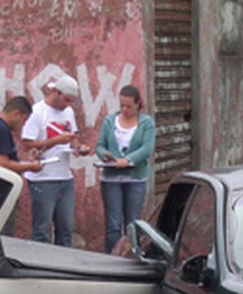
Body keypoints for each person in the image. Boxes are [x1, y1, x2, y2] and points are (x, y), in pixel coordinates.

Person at [21, 74, 90, 246]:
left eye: (71, 101)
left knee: (65, 230)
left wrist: (79, 148)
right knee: (42, 231)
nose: (68, 104)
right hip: (43, 178)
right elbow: (27, 144)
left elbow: (73, 138)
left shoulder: (68, 112)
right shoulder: (37, 112)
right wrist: (55, 141)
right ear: (56, 92)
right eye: (66, 99)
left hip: (65, 177)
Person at [96, 85, 155, 252]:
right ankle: (112, 256)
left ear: (138, 104)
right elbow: (100, 146)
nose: (125, 109)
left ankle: (131, 254)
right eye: (122, 105)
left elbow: (146, 149)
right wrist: (105, 155)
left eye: (129, 106)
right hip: (111, 178)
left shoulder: (146, 123)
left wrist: (128, 160)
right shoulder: (109, 121)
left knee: (133, 223)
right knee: (113, 224)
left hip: (135, 178)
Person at [0, 96, 43, 236]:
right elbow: (2, 163)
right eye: (23, 121)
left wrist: (26, 159)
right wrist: (30, 167)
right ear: (16, 113)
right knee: (2, 238)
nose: (22, 125)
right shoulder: (0, 130)